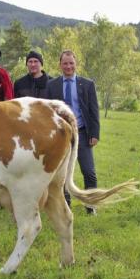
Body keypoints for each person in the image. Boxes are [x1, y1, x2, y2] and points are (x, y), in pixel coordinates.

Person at [47, 50, 100, 215]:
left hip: (82, 134)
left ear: (76, 64)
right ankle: (66, 207)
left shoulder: (87, 84)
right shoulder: (52, 85)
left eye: (71, 63)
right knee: (61, 173)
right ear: (60, 65)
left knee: (89, 171)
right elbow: (49, 111)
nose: (68, 66)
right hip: (60, 134)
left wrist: (94, 134)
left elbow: (93, 111)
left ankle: (91, 207)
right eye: (65, 63)